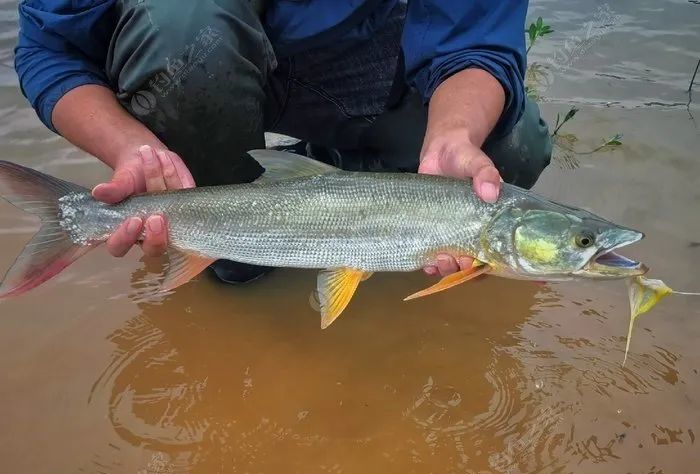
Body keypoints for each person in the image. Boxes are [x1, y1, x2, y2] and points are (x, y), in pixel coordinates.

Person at [14, 0, 552, 283]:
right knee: (180, 17)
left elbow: (475, 42)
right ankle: (234, 253)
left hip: (364, 63)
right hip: (197, 59)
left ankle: (339, 171)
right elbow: (51, 50)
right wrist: (133, 148)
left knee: (512, 149)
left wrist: (454, 136)